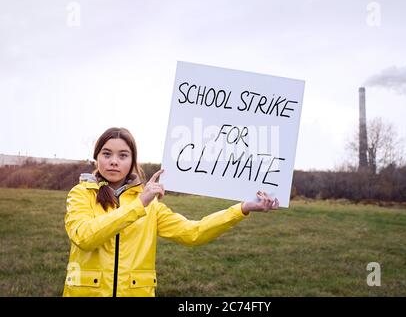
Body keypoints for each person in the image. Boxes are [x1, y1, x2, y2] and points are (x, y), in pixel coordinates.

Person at [63, 127, 279, 297]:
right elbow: (85, 237)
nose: (113, 161)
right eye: (107, 153)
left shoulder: (151, 206)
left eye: (123, 155)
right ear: (96, 157)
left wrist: (241, 208)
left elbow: (193, 232)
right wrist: (139, 204)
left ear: (132, 161)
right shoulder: (81, 194)